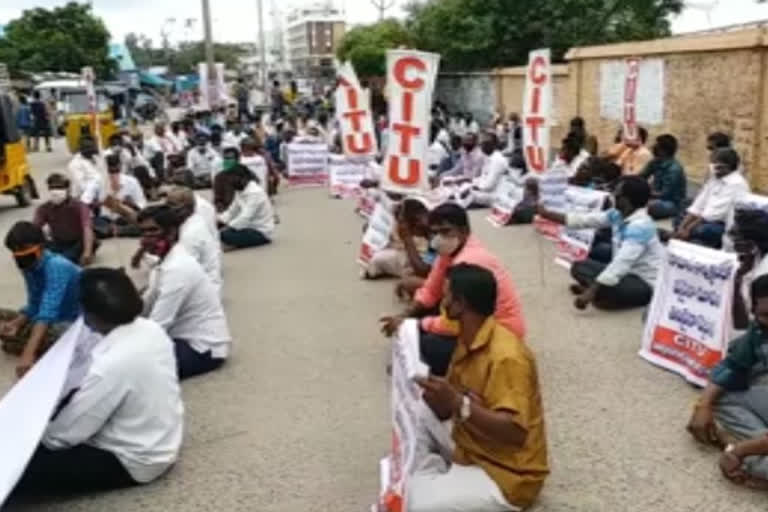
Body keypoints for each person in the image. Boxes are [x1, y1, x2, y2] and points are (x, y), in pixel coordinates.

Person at [10, 268, 183, 498]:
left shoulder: (112, 364)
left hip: (133, 460)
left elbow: (63, 436)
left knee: (16, 464)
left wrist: (26, 437)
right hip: (159, 440)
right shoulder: (151, 329)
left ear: (90, 314)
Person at [407, 263, 548, 512]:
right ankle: (440, 482)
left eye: (447, 294)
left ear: (459, 304)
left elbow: (515, 432)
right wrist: (440, 398)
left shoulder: (507, 356)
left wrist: (459, 403)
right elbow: (453, 406)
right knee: (419, 409)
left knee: (416, 504)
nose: (442, 300)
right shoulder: (468, 336)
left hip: (506, 472)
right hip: (471, 444)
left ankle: (438, 483)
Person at [380, 204, 526, 377]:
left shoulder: (470, 260)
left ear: (464, 231)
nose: (439, 238)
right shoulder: (449, 253)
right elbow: (430, 291)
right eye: (435, 232)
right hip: (474, 321)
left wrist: (415, 325)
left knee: (428, 344)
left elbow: (454, 322)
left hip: (498, 331)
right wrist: (405, 315)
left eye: (446, 231)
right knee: (420, 318)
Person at [687, 274, 768, 489]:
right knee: (721, 397)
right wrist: (702, 405)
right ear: (754, 310)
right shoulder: (759, 329)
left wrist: (739, 450)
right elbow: (733, 365)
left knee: (759, 467)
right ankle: (757, 449)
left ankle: (749, 450)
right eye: (766, 315)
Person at [538, 176, 664, 310]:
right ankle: (603, 293)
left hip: (644, 282)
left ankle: (600, 293)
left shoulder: (641, 226)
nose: (613, 196)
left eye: (617, 194)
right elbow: (584, 220)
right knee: (579, 266)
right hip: (625, 274)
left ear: (627, 200)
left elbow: (621, 262)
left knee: (611, 281)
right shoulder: (617, 214)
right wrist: (547, 214)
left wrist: (590, 292)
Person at [138, 205, 231, 379]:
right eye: (143, 232)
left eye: (153, 231)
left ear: (171, 232)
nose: (147, 238)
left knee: (131, 367)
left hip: (201, 348)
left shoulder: (177, 268)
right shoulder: (165, 261)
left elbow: (158, 325)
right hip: (180, 338)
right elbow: (147, 303)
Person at [0, 222, 81, 376]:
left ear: (41, 246)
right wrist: (16, 323)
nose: (20, 255)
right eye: (16, 252)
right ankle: (24, 340)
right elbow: (35, 303)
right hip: (51, 318)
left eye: (24, 249)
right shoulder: (28, 267)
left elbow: (46, 312)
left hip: (72, 322)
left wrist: (28, 354)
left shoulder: (57, 266)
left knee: (55, 338)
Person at [674, 148, 749, 249]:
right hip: (705, 219)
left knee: (703, 230)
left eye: (715, 163)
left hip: (721, 224)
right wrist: (682, 227)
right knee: (680, 218)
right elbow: (698, 205)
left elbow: (711, 215)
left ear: (727, 166)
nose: (712, 167)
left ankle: (691, 239)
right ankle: (689, 239)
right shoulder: (715, 178)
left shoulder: (736, 184)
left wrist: (688, 229)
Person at [167, 186, 222, 295]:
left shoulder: (190, 234)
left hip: (202, 295)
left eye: (171, 205)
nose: (167, 209)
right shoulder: (194, 219)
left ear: (184, 208)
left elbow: (183, 274)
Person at [365, 198, 434, 280]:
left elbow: (423, 271)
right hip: (417, 258)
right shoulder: (424, 227)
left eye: (402, 222)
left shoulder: (434, 238)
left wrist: (407, 238)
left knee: (377, 260)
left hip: (424, 267)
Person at [34, 173, 95, 265]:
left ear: (68, 189)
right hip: (58, 243)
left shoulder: (79, 206)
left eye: (59, 187)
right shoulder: (44, 208)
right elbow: (34, 228)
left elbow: (87, 228)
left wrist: (87, 252)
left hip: (78, 242)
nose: (55, 191)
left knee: (62, 260)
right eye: (52, 188)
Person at [218, 166, 275, 250]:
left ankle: (230, 243)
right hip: (247, 228)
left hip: (261, 231)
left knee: (224, 235)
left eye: (233, 179)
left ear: (244, 178)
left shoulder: (255, 193)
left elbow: (245, 217)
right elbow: (232, 211)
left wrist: (227, 227)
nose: (231, 182)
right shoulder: (240, 191)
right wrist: (218, 221)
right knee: (217, 231)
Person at [730, 209, 768, 332]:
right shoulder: (753, 257)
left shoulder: (764, 275)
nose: (733, 241)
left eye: (736, 237)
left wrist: (735, 284)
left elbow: (743, 325)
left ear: (751, 244)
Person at [93, 153, 146, 239]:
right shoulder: (97, 182)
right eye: (110, 170)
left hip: (126, 217)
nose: (113, 173)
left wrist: (131, 204)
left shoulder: (131, 181)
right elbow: (87, 204)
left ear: (120, 166)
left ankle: (117, 230)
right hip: (105, 219)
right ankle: (115, 230)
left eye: (116, 170)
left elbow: (141, 202)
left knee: (144, 224)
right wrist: (98, 203)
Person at [641, 134, 687, 220]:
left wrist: (644, 194)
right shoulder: (655, 162)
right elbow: (641, 177)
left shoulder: (674, 169)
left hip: (671, 203)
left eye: (656, 146)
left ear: (663, 150)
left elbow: (665, 194)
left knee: (650, 206)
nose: (652, 147)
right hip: (654, 197)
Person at [471, 132, 509, 207]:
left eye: (486, 143)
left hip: (495, 195)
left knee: (467, 194)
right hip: (486, 192)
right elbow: (483, 177)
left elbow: (489, 186)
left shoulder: (498, 160)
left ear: (494, 145)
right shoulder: (488, 157)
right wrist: (472, 183)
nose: (483, 146)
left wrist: (475, 186)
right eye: (482, 143)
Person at [67, 138, 103, 208]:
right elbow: (81, 185)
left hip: (98, 196)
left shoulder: (96, 158)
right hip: (84, 199)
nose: (90, 149)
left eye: (91, 146)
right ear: (80, 148)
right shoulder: (75, 164)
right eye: (86, 147)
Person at [213, 146, 245, 212]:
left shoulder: (246, 175)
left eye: (230, 158)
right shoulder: (219, 177)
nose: (227, 161)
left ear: (238, 159)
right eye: (225, 158)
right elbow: (218, 199)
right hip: (227, 211)